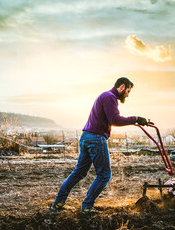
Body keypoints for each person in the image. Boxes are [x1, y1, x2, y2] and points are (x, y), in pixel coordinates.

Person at [50, 77, 148, 213]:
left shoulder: (105, 96)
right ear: (122, 87)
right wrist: (135, 119)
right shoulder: (110, 97)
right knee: (104, 175)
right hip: (96, 138)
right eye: (128, 91)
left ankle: (58, 203)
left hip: (86, 137)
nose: (127, 95)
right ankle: (87, 207)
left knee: (79, 172)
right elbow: (114, 119)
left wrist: (136, 121)